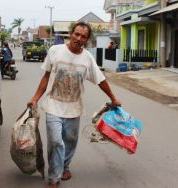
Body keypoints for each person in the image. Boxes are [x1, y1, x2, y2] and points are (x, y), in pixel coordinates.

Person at [27, 22, 121, 188]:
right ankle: (54, 179)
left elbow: (100, 80)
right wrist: (35, 98)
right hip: (53, 105)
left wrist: (113, 98)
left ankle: (64, 166)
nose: (79, 38)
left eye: (83, 36)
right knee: (56, 141)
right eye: (76, 34)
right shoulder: (55, 51)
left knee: (70, 142)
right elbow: (46, 77)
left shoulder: (87, 58)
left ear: (87, 40)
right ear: (71, 34)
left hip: (74, 108)